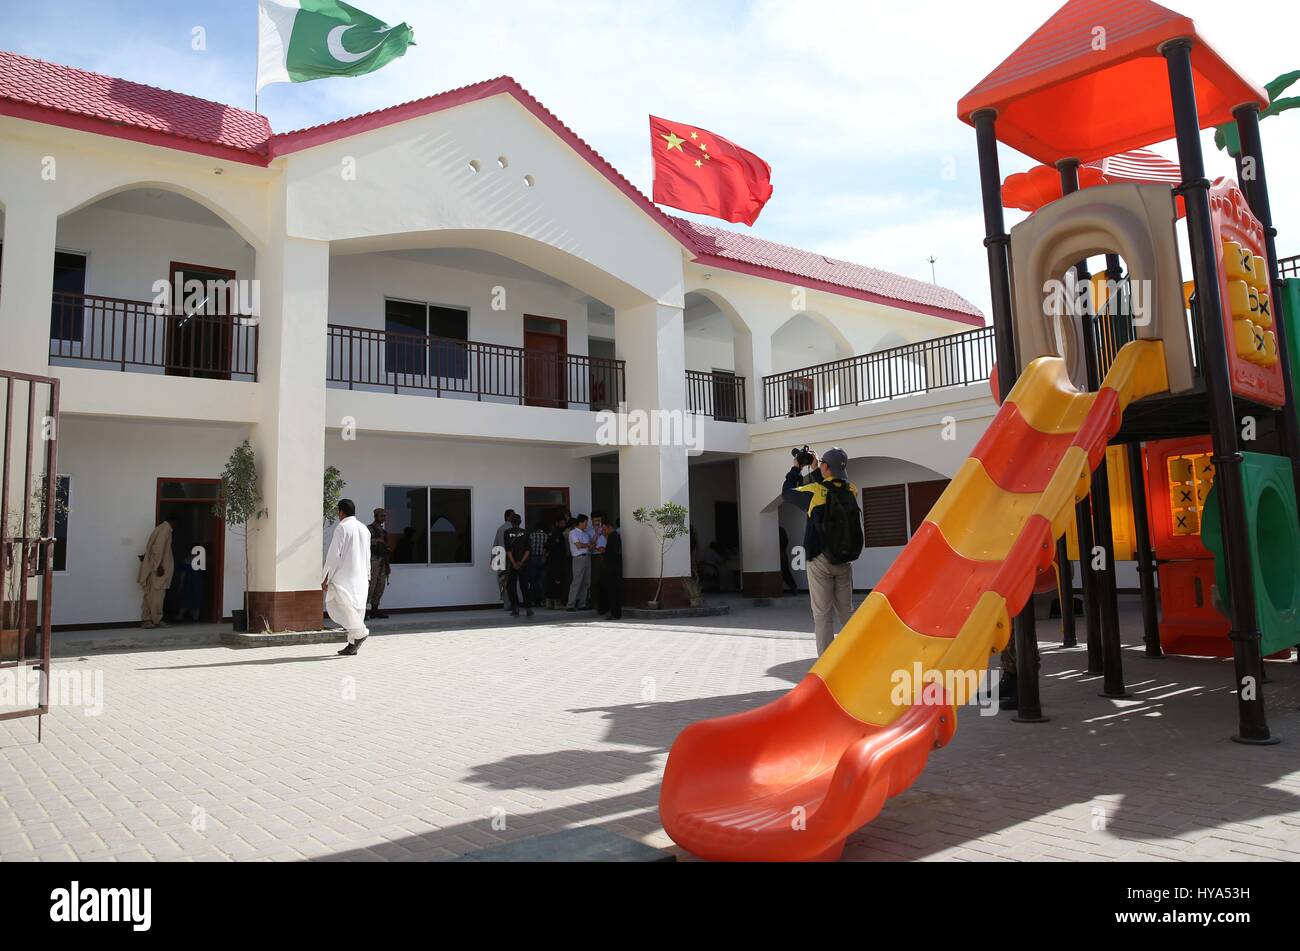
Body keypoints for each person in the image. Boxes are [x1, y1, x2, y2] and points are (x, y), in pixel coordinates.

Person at [782, 447, 862, 655]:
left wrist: (796, 469)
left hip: (820, 560)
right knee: (846, 612)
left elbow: (787, 494)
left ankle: (825, 665)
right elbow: (831, 487)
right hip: (844, 560)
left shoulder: (814, 492)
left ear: (826, 466)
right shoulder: (852, 490)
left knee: (822, 614)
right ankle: (859, 652)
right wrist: (820, 470)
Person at [324, 499, 372, 656]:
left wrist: (325, 577)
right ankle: (352, 644)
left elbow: (333, 555)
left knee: (338, 606)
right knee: (356, 610)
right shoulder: (364, 529)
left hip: (343, 577)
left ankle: (360, 633)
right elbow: (367, 555)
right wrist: (368, 575)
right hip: (361, 577)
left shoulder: (342, 527)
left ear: (341, 512)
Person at [137, 515, 177, 629]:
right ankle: (155, 620)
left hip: (154, 568)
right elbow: (158, 549)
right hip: (158, 571)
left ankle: (148, 619)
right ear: (174, 521)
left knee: (149, 595)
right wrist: (157, 566)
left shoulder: (161, 528)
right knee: (157, 596)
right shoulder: (165, 529)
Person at [505, 515, 534, 618]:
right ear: (520, 521)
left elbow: (508, 550)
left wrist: (513, 562)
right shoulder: (526, 533)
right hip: (524, 563)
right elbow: (528, 550)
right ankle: (528, 608)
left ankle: (515, 608)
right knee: (524, 586)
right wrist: (521, 562)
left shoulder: (507, 533)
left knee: (511, 586)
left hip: (511, 564)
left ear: (511, 522)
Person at [367, 507, 392, 620]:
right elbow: (366, 542)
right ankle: (363, 611)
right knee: (370, 586)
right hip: (373, 561)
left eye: (384, 516)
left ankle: (374, 611)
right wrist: (377, 541)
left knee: (380, 586)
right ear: (376, 516)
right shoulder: (369, 529)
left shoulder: (383, 531)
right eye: (381, 516)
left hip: (382, 561)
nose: (383, 518)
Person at [566, 514, 592, 611]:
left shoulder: (585, 534)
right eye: (585, 522)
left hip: (587, 557)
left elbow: (588, 545)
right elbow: (578, 545)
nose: (586, 524)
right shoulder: (573, 533)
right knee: (577, 581)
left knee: (586, 582)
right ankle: (571, 604)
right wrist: (588, 545)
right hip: (578, 558)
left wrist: (597, 534)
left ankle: (582, 603)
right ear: (580, 522)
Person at [493, 508, 516, 607]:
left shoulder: (500, 529)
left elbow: (496, 544)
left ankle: (507, 603)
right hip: (512, 557)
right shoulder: (515, 529)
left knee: (503, 580)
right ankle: (514, 603)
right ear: (508, 517)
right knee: (513, 580)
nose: (514, 517)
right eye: (513, 515)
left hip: (500, 556)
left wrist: (494, 560)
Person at [601, 520, 624, 620]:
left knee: (613, 592)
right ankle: (616, 613)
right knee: (615, 592)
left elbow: (611, 553)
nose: (604, 531)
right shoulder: (615, 536)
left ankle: (614, 613)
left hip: (612, 569)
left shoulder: (612, 536)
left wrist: (603, 553)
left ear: (609, 527)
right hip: (615, 568)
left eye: (605, 529)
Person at [545, 518, 569, 609]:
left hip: (551, 561)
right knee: (557, 581)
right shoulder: (559, 534)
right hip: (557, 561)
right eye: (562, 523)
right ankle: (557, 603)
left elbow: (546, 549)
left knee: (550, 581)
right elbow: (561, 550)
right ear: (557, 523)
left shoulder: (551, 534)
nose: (563, 525)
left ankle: (549, 602)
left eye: (564, 523)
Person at [527, 520, 549, 609]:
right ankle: (542, 600)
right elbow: (548, 548)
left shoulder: (531, 535)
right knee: (542, 581)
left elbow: (528, 547)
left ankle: (532, 600)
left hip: (533, 558)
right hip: (542, 559)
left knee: (532, 580)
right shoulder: (546, 536)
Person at [589, 511, 607, 613]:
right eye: (596, 520)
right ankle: (594, 602)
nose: (598, 522)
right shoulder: (589, 531)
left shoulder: (605, 529)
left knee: (604, 580)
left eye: (599, 520)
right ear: (592, 520)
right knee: (595, 580)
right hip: (595, 557)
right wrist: (596, 533)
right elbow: (590, 545)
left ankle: (604, 602)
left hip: (604, 556)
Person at [779, 525, 799, 594]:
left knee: (785, 572)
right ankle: (794, 587)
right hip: (783, 554)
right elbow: (786, 541)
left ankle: (793, 587)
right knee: (786, 573)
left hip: (780, 554)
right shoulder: (781, 529)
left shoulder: (775, 530)